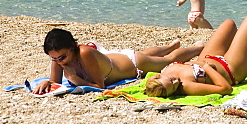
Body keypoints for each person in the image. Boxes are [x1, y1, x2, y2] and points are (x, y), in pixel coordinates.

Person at [143, 13, 247, 97]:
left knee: (229, 24)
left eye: (171, 80)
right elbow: (225, 89)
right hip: (230, 68)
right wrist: (208, 68)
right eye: (173, 88)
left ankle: (244, 57)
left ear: (158, 75)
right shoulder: (186, 86)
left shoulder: (165, 71)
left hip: (210, 57)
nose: (176, 82)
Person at [36, 29, 202, 94]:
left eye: (62, 57)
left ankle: (198, 48)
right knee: (147, 53)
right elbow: (55, 82)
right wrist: (47, 82)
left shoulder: (84, 53)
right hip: (115, 57)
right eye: (54, 58)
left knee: (168, 60)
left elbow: (99, 86)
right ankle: (169, 45)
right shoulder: (59, 57)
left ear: (73, 47)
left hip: (133, 63)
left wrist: (75, 79)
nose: (59, 62)